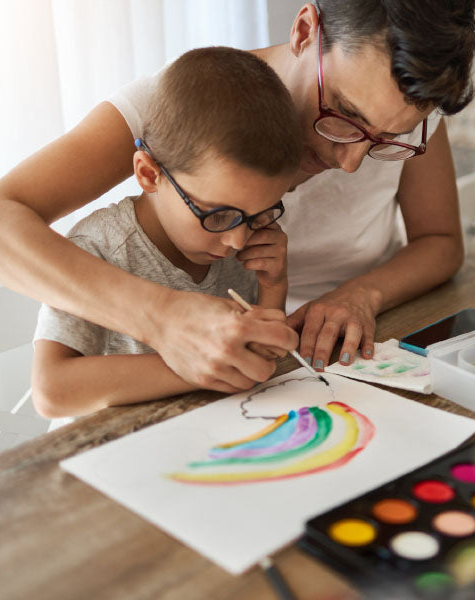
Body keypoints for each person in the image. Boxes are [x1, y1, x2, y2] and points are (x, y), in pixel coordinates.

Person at [0, 0, 475, 393]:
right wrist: (161, 318)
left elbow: (440, 241)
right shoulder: (180, 107)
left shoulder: (403, 115)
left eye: (386, 140)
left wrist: (361, 295)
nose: (352, 161)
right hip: (220, 378)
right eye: (345, 113)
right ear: (304, 29)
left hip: (350, 365)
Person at [30, 47, 301, 418]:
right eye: (218, 216)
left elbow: (257, 360)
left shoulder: (244, 237)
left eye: (259, 216)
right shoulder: (100, 248)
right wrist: (202, 363)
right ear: (149, 174)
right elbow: (52, 390)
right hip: (107, 453)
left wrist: (274, 287)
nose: (238, 240)